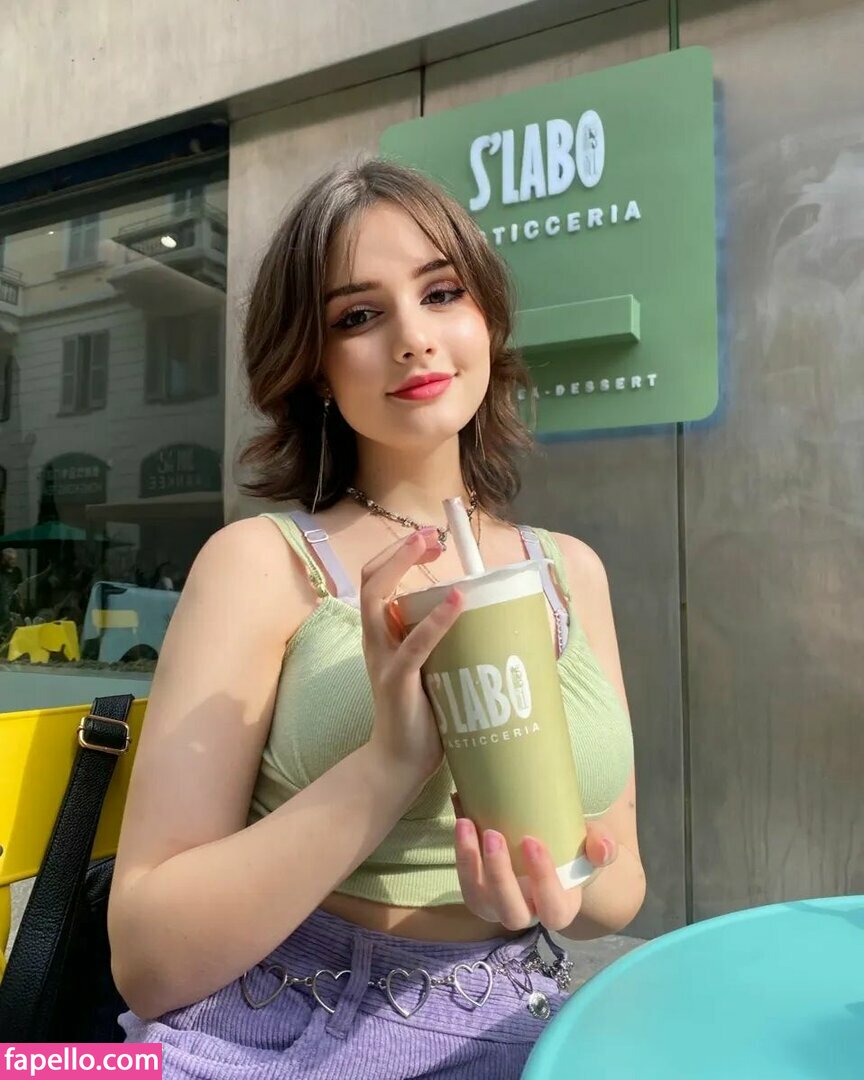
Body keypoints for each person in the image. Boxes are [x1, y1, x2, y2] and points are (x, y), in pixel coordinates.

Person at [109, 159, 644, 1078]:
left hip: (517, 1021)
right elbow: (149, 960)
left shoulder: (569, 571)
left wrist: (554, 886)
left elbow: (621, 883)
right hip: (279, 1028)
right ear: (315, 366)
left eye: (441, 293)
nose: (414, 338)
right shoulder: (261, 563)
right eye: (358, 316)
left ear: (487, 319)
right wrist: (389, 764)